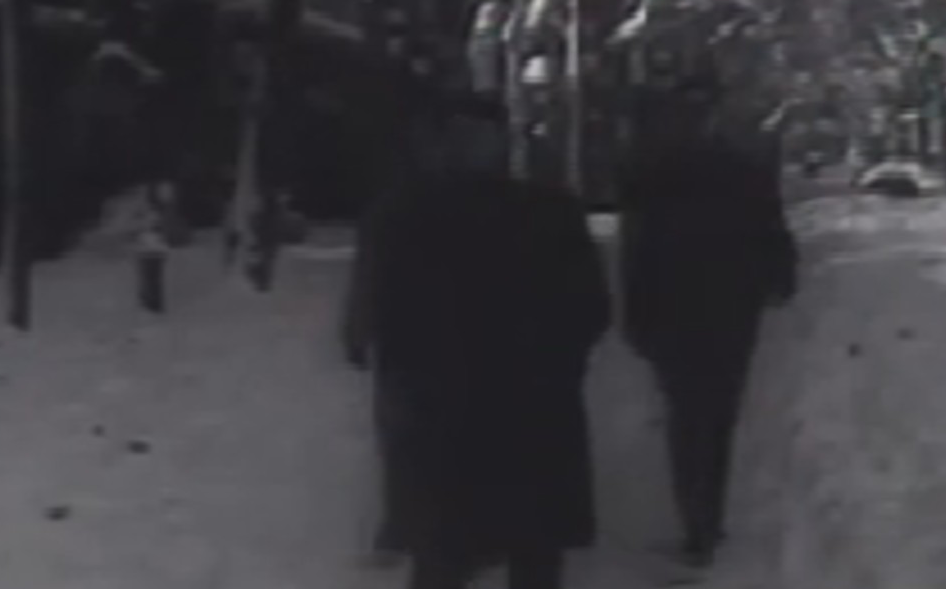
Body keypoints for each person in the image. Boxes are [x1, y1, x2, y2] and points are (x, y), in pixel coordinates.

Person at [342, 90, 610, 589]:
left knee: (443, 553)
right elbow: (591, 310)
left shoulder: (401, 214)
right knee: (532, 551)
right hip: (531, 411)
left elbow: (366, 318)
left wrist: (388, 365)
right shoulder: (549, 212)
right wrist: (556, 363)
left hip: (439, 415)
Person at [618, 79, 798, 569]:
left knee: (686, 415)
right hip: (729, 308)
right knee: (716, 414)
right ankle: (706, 517)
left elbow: (637, 250)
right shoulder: (741, 169)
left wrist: (635, 312)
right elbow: (771, 230)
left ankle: (697, 519)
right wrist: (778, 279)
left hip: (676, 309)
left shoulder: (654, 174)